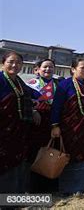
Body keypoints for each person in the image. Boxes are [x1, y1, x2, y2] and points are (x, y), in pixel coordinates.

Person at [50, 58, 84, 195]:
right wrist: (55, 125)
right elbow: (56, 106)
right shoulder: (65, 85)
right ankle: (69, 189)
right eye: (82, 68)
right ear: (73, 69)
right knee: (71, 156)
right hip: (70, 129)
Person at [0, 51, 36, 193]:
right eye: (11, 62)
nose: (15, 65)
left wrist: (34, 110)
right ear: (3, 63)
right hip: (3, 130)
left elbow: (34, 97)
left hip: (18, 130)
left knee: (17, 162)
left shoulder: (20, 82)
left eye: (18, 63)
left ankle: (13, 198)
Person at [26, 58, 59, 192]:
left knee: (52, 154)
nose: (48, 69)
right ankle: (34, 188)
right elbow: (25, 101)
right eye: (45, 67)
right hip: (37, 125)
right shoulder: (30, 85)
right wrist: (33, 110)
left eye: (51, 67)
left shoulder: (58, 84)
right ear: (37, 69)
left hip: (53, 124)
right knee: (36, 155)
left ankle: (50, 186)